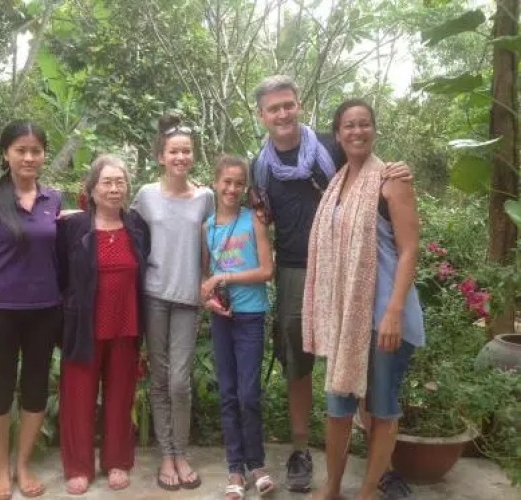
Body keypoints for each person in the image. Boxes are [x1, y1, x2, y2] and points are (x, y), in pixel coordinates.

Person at [251, 75, 413, 496]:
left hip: (352, 272)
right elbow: (260, 213)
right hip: (295, 270)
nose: (283, 114)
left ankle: (381, 469)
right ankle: (302, 452)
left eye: (288, 104)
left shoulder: (329, 145)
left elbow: (370, 166)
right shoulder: (260, 165)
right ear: (262, 115)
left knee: (367, 362)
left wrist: (398, 169)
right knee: (301, 366)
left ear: (299, 105)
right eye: (274, 108)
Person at [302, 100, 424, 500]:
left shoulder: (391, 181)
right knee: (337, 406)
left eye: (365, 124)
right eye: (349, 126)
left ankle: (367, 491)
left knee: (381, 407)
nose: (357, 131)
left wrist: (393, 311)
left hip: (385, 316)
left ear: (374, 129)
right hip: (346, 318)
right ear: (338, 135)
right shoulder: (337, 185)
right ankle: (332, 486)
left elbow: (409, 250)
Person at [0, 120, 61, 500]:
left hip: (45, 311)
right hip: (1, 311)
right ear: (6, 153)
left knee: (36, 391)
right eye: (20, 150)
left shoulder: (53, 199)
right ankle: (1, 470)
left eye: (36, 150)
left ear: (44, 155)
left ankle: (23, 465)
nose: (28, 157)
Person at [57, 155, 151, 495]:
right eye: (107, 182)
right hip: (83, 326)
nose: (114, 189)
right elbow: (60, 274)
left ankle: (117, 462)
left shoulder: (137, 226)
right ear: (92, 189)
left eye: (120, 182)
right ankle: (78, 467)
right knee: (78, 397)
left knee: (120, 396)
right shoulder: (73, 227)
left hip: (126, 325)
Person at [130, 113, 214, 491]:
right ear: (160, 156)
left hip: (188, 299)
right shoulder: (146, 195)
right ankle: (167, 455)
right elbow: (124, 229)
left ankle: (181, 452)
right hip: (153, 295)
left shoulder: (205, 198)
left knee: (180, 381)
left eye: (186, 151)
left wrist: (209, 283)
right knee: (160, 379)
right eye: (173, 151)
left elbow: (215, 242)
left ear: (192, 155)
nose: (180, 157)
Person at [200, 155, 275, 499]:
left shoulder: (253, 220)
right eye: (226, 182)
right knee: (228, 394)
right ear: (215, 183)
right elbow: (206, 278)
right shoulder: (207, 228)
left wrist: (225, 277)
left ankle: (256, 464)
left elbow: (266, 270)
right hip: (222, 318)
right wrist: (209, 299)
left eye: (238, 183)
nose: (232, 189)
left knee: (248, 394)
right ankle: (235, 469)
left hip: (250, 316)